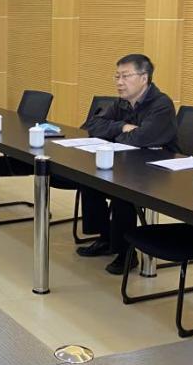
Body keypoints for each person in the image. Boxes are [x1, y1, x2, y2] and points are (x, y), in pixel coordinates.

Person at [76, 54, 179, 274]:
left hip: (160, 170)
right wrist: (122, 127)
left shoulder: (161, 105)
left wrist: (115, 133)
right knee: (90, 178)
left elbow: (140, 139)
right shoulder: (122, 102)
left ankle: (127, 253)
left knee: (122, 189)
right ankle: (106, 238)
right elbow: (91, 125)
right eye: (117, 76)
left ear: (144, 78)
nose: (119, 82)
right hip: (129, 161)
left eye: (125, 76)